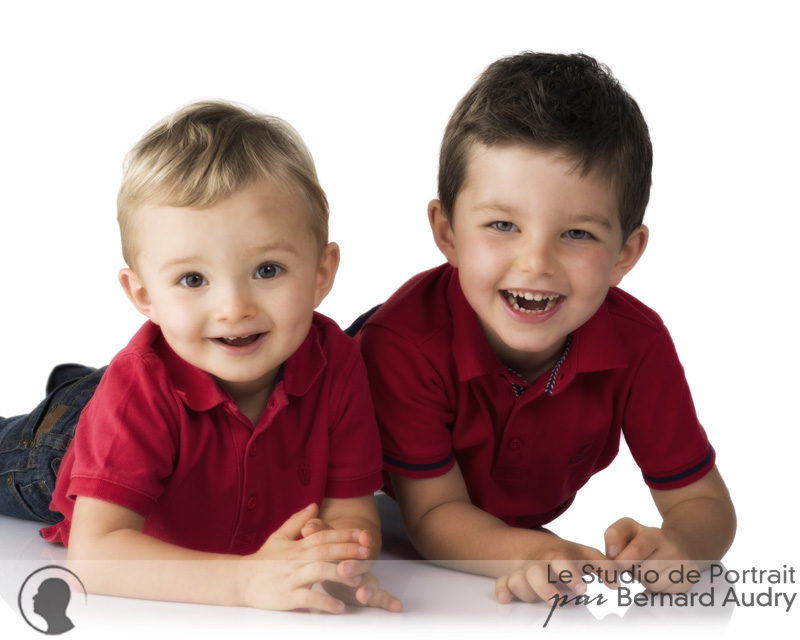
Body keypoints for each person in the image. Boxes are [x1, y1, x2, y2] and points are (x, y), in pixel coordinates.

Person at [356, 52, 736, 604]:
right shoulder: (402, 345)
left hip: (497, 536)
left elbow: (705, 504)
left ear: (625, 252)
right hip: (385, 520)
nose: (536, 262)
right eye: (502, 224)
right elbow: (433, 516)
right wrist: (533, 552)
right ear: (448, 233)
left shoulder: (638, 342)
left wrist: (679, 545)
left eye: (578, 234)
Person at [0, 101, 401, 614]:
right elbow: (95, 555)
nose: (234, 308)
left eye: (268, 270)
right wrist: (245, 583)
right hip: (63, 446)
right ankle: (74, 396)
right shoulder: (139, 391)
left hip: (155, 423)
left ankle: (81, 385)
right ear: (144, 294)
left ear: (322, 272)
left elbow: (352, 511)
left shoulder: (337, 362)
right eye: (194, 280)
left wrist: (335, 561)